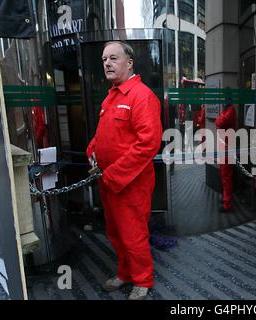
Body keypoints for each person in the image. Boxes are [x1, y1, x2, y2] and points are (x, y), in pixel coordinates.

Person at [86, 41, 162, 299]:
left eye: (113, 58)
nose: (106, 63)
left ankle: (143, 280)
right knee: (115, 232)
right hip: (108, 181)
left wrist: (114, 174)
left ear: (129, 63)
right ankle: (125, 273)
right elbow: (102, 136)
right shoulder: (112, 96)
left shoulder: (142, 96)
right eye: (104, 59)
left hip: (131, 183)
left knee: (133, 233)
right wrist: (92, 151)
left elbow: (148, 143)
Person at [215, 93, 237, 213]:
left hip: (227, 148)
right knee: (224, 176)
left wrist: (219, 118)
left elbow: (220, 122)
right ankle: (225, 199)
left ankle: (227, 203)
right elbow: (219, 121)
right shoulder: (227, 110)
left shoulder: (230, 110)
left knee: (226, 176)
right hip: (224, 147)